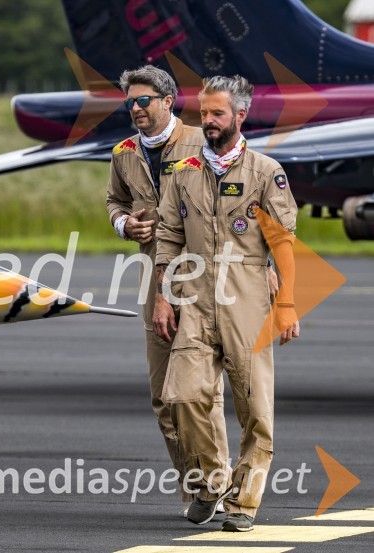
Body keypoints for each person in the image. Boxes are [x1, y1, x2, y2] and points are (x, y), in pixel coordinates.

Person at [153, 75, 300, 532]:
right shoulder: (183, 172)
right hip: (195, 299)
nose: (208, 121)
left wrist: (287, 304)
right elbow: (168, 237)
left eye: (217, 113)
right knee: (181, 396)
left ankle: (244, 502)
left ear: (240, 115)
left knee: (255, 410)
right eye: (203, 113)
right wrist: (163, 296)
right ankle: (211, 481)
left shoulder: (265, 171)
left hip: (248, 299)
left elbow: (283, 242)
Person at [106, 65, 235, 517]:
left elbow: (242, 202)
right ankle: (199, 488)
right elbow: (115, 201)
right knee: (164, 397)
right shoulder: (123, 152)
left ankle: (217, 482)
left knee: (199, 391)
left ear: (167, 101)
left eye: (144, 101)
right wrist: (124, 224)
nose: (136, 109)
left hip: (205, 277)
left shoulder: (204, 143)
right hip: (154, 277)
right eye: (130, 103)